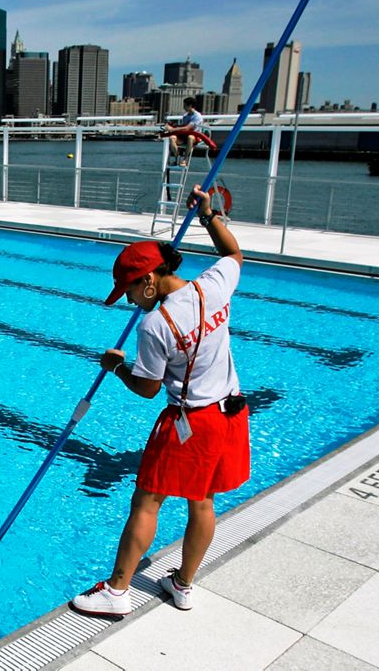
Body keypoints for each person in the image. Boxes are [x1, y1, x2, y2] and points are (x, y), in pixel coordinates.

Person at [70, 185, 249, 617]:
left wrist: (115, 367)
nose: (129, 300)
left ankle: (116, 592)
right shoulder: (214, 285)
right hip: (231, 412)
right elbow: (234, 255)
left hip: (191, 422)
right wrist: (209, 216)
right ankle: (183, 585)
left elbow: (148, 389)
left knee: (147, 501)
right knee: (202, 501)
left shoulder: (156, 324)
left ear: (149, 280)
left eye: (130, 290)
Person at [162, 97, 204, 166]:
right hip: (184, 136)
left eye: (185, 105)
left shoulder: (197, 116)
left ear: (190, 105)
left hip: (195, 137)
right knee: (172, 138)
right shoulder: (185, 116)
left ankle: (185, 159)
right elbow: (183, 127)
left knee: (190, 137)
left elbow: (188, 128)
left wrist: (172, 129)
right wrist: (171, 126)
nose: (183, 107)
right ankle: (177, 158)